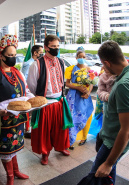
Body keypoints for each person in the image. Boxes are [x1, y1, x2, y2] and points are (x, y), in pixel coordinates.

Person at [0, 35, 34, 185]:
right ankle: (10, 177)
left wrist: (33, 101)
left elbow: (26, 92)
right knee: (6, 150)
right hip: (1, 121)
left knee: (14, 146)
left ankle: (16, 171)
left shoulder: (19, 74)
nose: (13, 58)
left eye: (14, 55)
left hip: (17, 119)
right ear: (1, 56)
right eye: (9, 55)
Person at [89, 41, 129, 184]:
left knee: (96, 178)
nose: (102, 67)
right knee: (108, 178)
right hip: (111, 139)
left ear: (107, 63)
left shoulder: (124, 84)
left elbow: (127, 129)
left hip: (112, 143)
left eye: (103, 64)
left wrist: (108, 163)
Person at [27, 35, 73, 165]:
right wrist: (41, 98)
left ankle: (60, 147)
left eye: (58, 46)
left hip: (59, 101)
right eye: (53, 46)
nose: (56, 49)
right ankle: (45, 153)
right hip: (45, 103)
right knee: (44, 131)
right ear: (46, 47)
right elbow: (31, 85)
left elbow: (62, 81)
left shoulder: (61, 62)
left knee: (60, 128)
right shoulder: (36, 64)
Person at [65, 50, 94, 150]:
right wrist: (78, 88)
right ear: (76, 58)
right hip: (73, 96)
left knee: (86, 116)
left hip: (84, 97)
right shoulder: (71, 69)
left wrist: (88, 93)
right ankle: (71, 140)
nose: (82, 58)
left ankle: (84, 137)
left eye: (84, 57)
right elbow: (67, 84)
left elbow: (91, 83)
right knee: (72, 117)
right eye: (80, 56)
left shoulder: (89, 70)